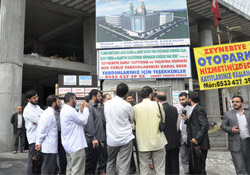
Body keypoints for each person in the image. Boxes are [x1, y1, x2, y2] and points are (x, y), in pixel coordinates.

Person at [133, 86, 167, 175]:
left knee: (144, 169)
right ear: (151, 95)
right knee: (160, 169)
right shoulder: (158, 105)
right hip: (157, 141)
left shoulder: (135, 107)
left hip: (142, 143)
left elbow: (134, 122)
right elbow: (163, 120)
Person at [104, 83, 134, 175]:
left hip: (111, 139)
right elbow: (132, 120)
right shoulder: (127, 105)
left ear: (116, 91)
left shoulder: (107, 104)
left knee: (110, 162)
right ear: (126, 94)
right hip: (126, 138)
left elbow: (106, 117)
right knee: (124, 164)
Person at [60, 92, 89, 175]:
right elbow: (83, 121)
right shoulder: (70, 110)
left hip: (69, 145)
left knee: (70, 169)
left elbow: (77, 120)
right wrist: (86, 109)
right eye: (75, 99)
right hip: (76, 145)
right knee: (77, 171)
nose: (76, 101)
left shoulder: (64, 109)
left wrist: (80, 111)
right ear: (71, 99)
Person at [182, 91, 210, 174]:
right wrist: (186, 120)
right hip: (195, 142)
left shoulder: (198, 109)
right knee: (195, 166)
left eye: (187, 98)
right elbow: (195, 124)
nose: (186, 100)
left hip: (199, 143)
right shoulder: (195, 109)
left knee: (199, 167)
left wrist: (196, 138)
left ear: (190, 99)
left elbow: (205, 125)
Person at [221, 95, 250, 175]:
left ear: (242, 103)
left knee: (248, 166)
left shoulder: (248, 114)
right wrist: (231, 129)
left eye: (237, 102)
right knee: (240, 167)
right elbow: (223, 126)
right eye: (233, 102)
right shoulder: (228, 114)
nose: (235, 103)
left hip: (247, 142)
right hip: (235, 144)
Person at [35, 95, 61, 175]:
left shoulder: (48, 113)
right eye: (58, 102)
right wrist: (38, 142)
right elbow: (43, 129)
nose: (60, 104)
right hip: (49, 147)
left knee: (50, 169)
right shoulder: (49, 114)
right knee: (48, 170)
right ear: (54, 103)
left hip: (49, 147)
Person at [156, 92, 180, 175]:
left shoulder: (159, 110)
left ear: (157, 99)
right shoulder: (174, 109)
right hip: (174, 140)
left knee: (165, 165)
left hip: (163, 140)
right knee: (174, 163)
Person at [84, 89, 106, 175]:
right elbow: (89, 124)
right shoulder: (89, 107)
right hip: (93, 140)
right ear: (94, 96)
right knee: (90, 164)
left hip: (98, 139)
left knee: (95, 162)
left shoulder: (96, 107)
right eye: (99, 96)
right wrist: (93, 138)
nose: (101, 98)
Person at [23, 90, 44, 175]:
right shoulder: (27, 110)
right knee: (32, 159)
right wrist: (39, 119)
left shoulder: (37, 107)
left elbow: (44, 117)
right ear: (29, 99)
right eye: (34, 98)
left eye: (37, 97)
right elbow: (39, 120)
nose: (36, 99)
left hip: (39, 137)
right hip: (33, 138)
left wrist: (39, 119)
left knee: (39, 159)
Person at [177, 92, 192, 175]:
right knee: (183, 157)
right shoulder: (180, 110)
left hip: (190, 137)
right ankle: (186, 172)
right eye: (180, 100)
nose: (181, 101)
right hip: (181, 138)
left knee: (192, 158)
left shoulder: (192, 109)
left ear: (187, 99)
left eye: (183, 99)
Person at [125, 93, 139, 174]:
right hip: (127, 132)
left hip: (136, 131)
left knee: (138, 150)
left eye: (131, 98)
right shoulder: (124, 108)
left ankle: (141, 167)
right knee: (129, 152)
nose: (130, 100)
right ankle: (132, 168)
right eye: (128, 99)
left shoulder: (136, 107)